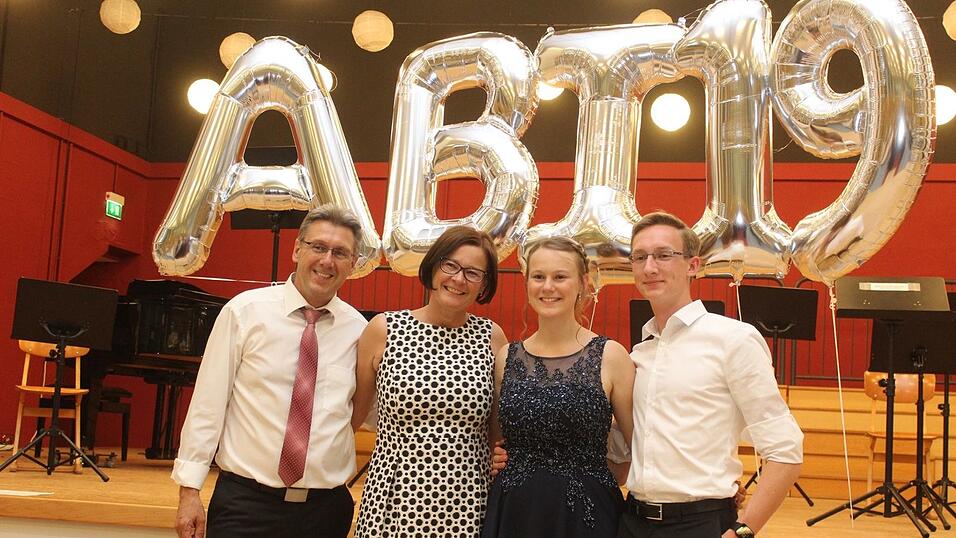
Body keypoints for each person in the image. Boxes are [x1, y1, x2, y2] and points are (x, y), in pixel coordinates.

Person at [172, 204, 368, 538]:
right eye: (318, 247)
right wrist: (189, 490)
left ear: (352, 264)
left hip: (325, 512)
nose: (327, 260)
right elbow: (208, 405)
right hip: (246, 506)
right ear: (296, 249)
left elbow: (377, 411)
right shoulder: (245, 312)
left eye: (340, 252)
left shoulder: (359, 331)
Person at [621, 212, 803, 538]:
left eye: (664, 255)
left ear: (692, 266)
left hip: (700, 524)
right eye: (640, 257)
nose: (650, 267)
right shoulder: (637, 353)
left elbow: (785, 452)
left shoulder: (734, 339)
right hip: (633, 520)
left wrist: (742, 530)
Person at [351, 225, 509, 537]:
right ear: (434, 266)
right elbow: (353, 416)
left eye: (473, 272)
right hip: (393, 498)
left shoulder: (492, 337)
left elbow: (496, 432)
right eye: (450, 265)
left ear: (484, 284)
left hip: (468, 501)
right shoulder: (383, 329)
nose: (458, 278)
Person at [481, 237, 635, 538]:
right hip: (515, 511)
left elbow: (640, 445)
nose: (547, 287)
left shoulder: (612, 356)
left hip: (585, 515)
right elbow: (495, 438)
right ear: (527, 284)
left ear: (583, 283)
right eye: (538, 277)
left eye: (560, 277)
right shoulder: (506, 358)